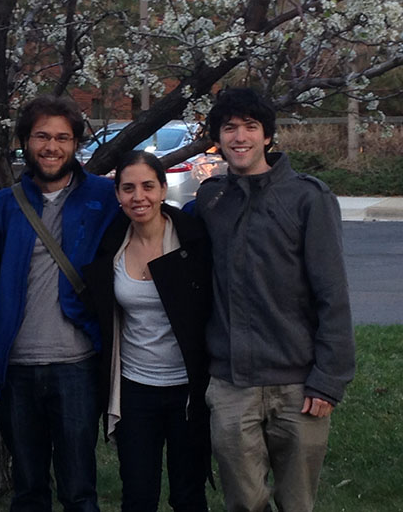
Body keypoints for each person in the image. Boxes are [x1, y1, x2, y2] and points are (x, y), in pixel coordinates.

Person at [193, 87, 355, 512]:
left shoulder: (308, 198)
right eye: (229, 128)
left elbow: (333, 294)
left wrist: (329, 379)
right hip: (232, 384)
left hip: (298, 385)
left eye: (251, 127)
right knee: (244, 503)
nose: (240, 136)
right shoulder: (211, 199)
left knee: (297, 503)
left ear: (267, 136)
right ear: (218, 138)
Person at [0, 95, 119, 511]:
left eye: (63, 138)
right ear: (24, 141)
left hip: (76, 366)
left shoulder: (105, 198)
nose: (52, 146)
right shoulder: (5, 205)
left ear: (76, 144)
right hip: (16, 368)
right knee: (28, 490)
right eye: (41, 136)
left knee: (79, 489)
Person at [83, 151, 212, 512]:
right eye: (128, 188)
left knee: (188, 494)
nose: (138, 196)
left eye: (147, 186)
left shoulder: (192, 241)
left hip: (186, 389)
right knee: (138, 495)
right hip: (135, 389)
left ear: (163, 189)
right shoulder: (110, 246)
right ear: (118, 195)